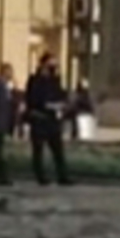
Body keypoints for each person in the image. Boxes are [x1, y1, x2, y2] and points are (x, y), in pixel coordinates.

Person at [24, 54, 73, 186]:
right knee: (38, 150)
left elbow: (61, 95)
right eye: (51, 65)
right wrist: (46, 105)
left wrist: (63, 104)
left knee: (58, 150)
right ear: (43, 64)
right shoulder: (35, 80)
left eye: (55, 65)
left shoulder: (55, 80)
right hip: (39, 118)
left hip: (53, 120)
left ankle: (63, 176)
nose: (53, 68)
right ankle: (41, 176)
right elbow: (32, 99)